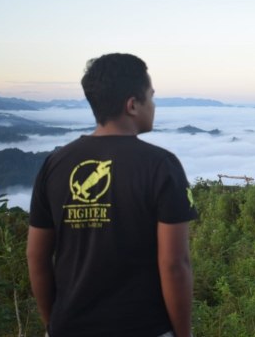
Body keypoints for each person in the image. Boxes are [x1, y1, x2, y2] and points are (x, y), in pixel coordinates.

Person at [26, 53, 197, 337]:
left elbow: (36, 256)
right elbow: (174, 264)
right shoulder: (160, 166)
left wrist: (52, 325)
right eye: (150, 97)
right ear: (132, 105)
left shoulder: (55, 164)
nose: (154, 106)